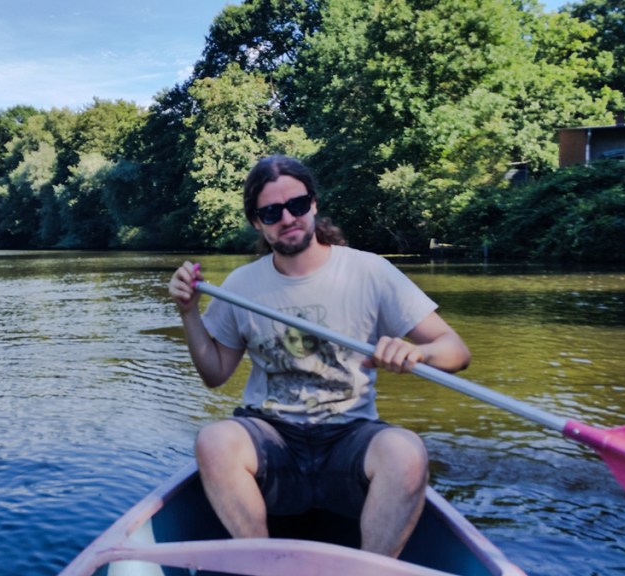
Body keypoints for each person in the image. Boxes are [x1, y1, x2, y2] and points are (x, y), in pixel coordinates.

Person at [167, 155, 471, 558]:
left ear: (314, 204)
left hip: (349, 438)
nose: (288, 218)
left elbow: (456, 352)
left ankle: (369, 572)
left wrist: (418, 352)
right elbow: (215, 373)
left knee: (406, 451)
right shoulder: (241, 284)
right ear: (257, 221)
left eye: (297, 205)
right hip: (272, 439)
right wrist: (187, 312)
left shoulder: (371, 272)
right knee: (214, 440)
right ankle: (265, 565)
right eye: (272, 212)